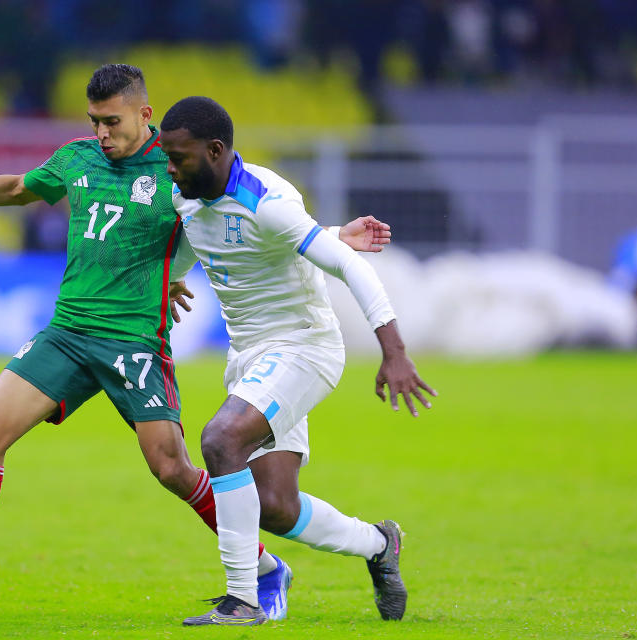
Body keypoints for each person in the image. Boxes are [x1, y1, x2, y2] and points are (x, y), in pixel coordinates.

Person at [0, 64, 389, 619]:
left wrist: (329, 235)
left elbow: (244, 216)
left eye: (112, 122)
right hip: (68, 333)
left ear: (143, 114)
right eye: (95, 122)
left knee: (173, 469)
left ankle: (266, 567)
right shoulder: (78, 158)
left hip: (135, 344)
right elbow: (15, 188)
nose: (103, 133)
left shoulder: (179, 170)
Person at [158, 96, 437, 626]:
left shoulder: (266, 201)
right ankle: (379, 543)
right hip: (250, 356)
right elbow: (203, 240)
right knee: (275, 505)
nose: (170, 168)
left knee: (220, 440)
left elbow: (351, 268)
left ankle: (242, 599)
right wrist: (174, 277)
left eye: (180, 156)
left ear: (216, 151)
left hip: (303, 346)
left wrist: (394, 353)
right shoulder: (187, 195)